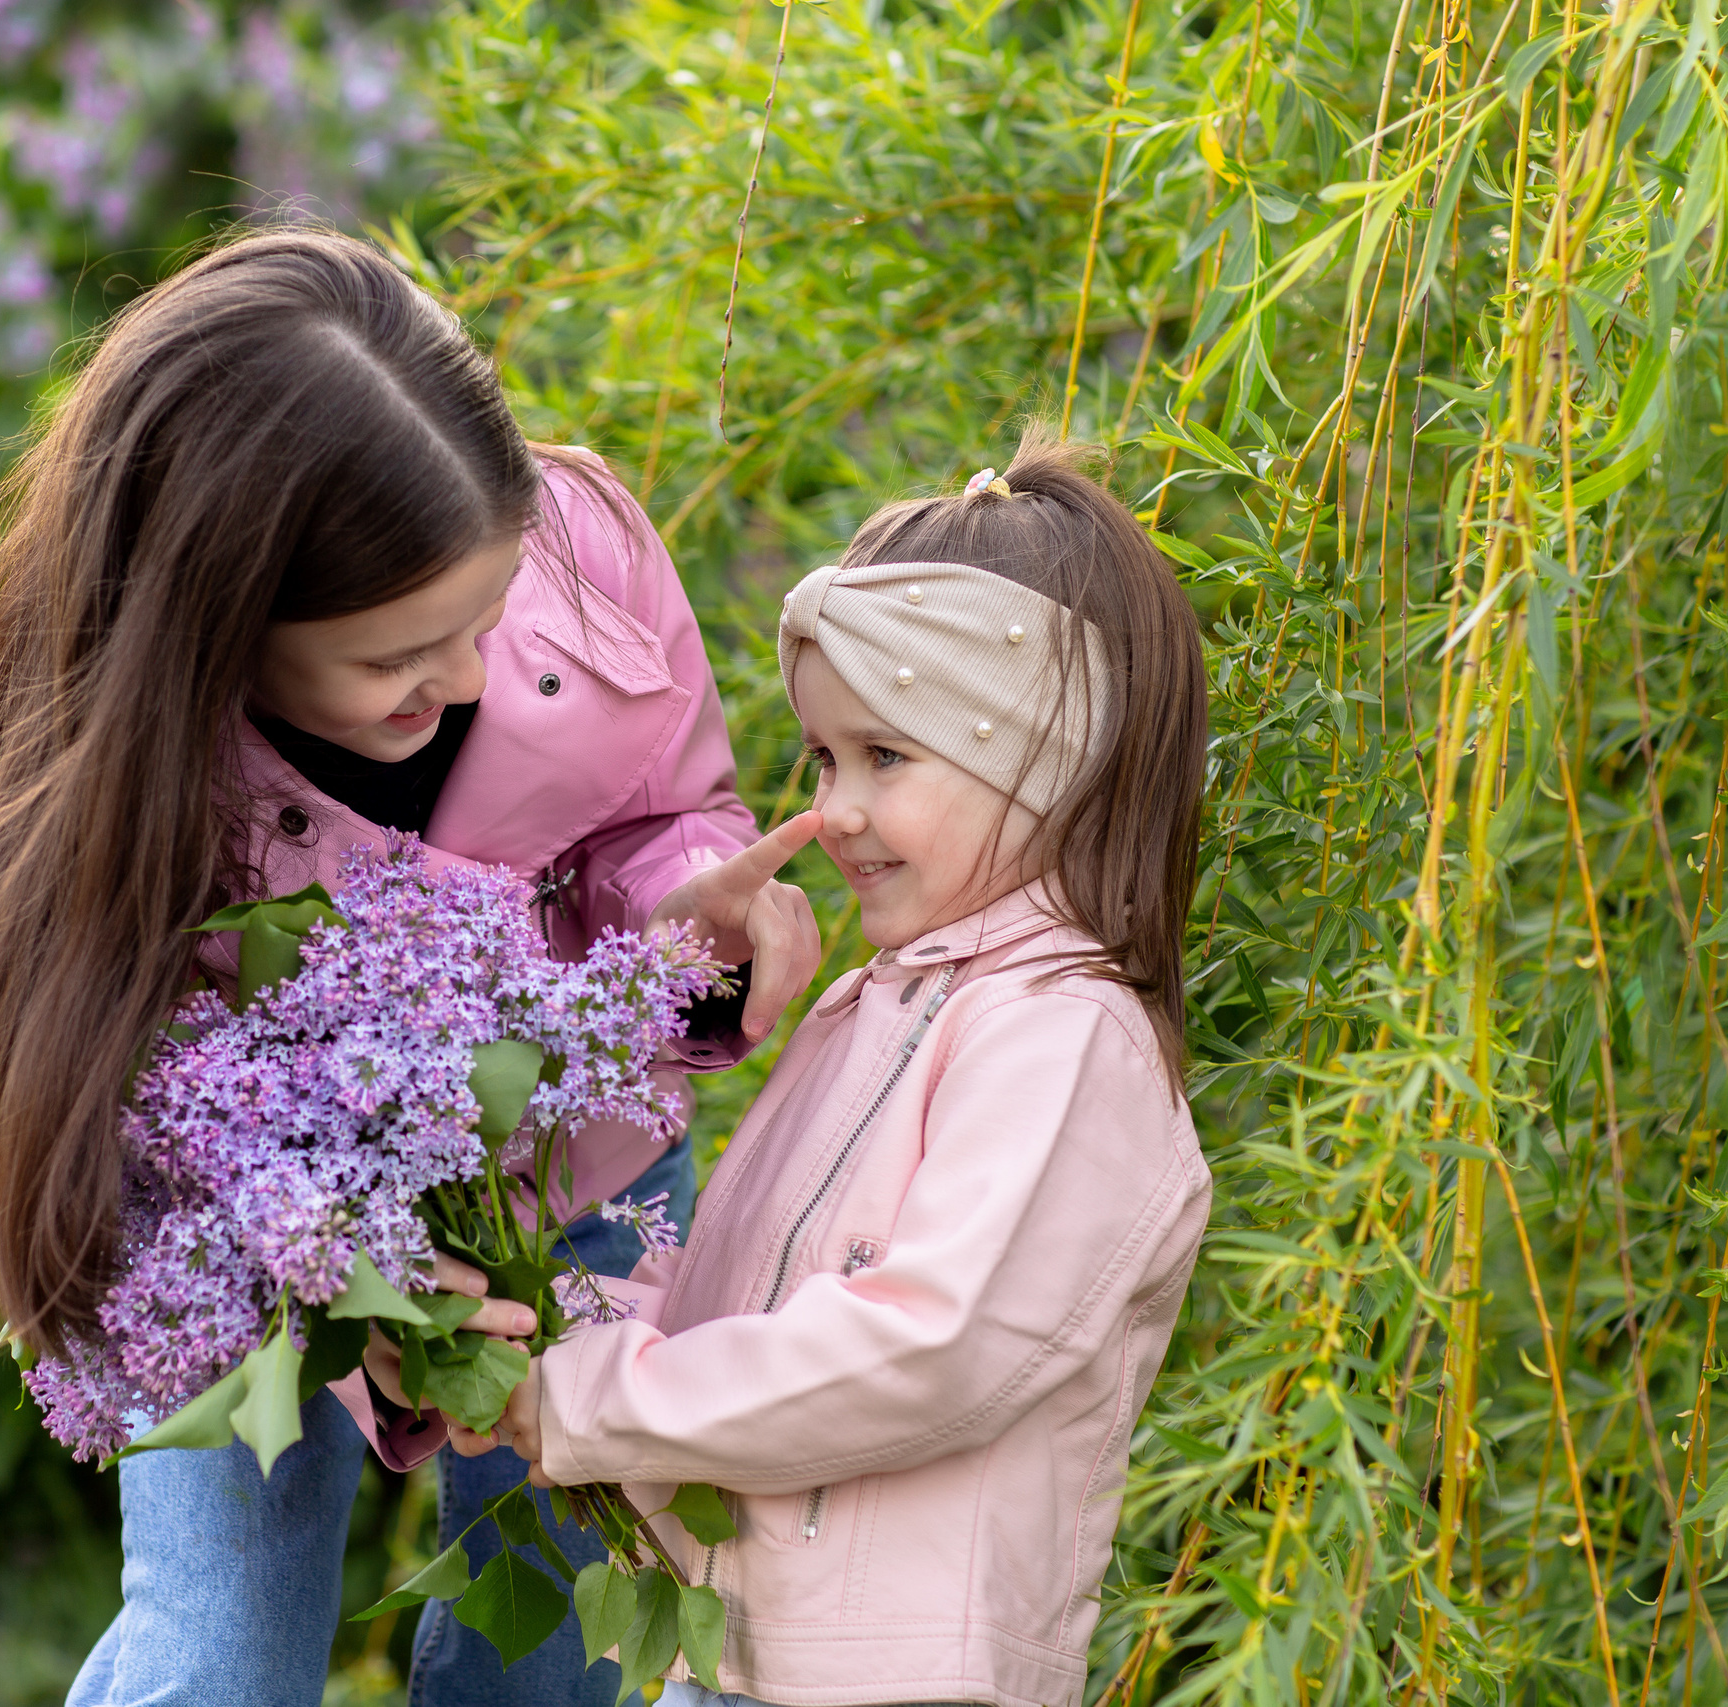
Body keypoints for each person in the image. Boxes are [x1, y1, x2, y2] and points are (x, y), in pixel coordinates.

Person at [0, 226, 822, 1707]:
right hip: (249, 1242)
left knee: (545, 1671)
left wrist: (693, 911)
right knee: (219, 1664)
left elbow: (657, 813)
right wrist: (350, 1271)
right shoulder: (107, 769)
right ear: (221, 619)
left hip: (582, 1185)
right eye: (399, 652)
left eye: (485, 616)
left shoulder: (584, 543)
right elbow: (115, 1084)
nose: (459, 677)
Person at [466, 435, 1213, 1707]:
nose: (835, 811)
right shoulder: (875, 1009)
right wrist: (527, 1331)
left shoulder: (1061, 1036)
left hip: (908, 1677)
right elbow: (735, 1312)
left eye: (887, 758)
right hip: (755, 1656)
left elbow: (929, 1347)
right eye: (822, 760)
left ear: (1055, 759)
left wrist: (593, 1395)